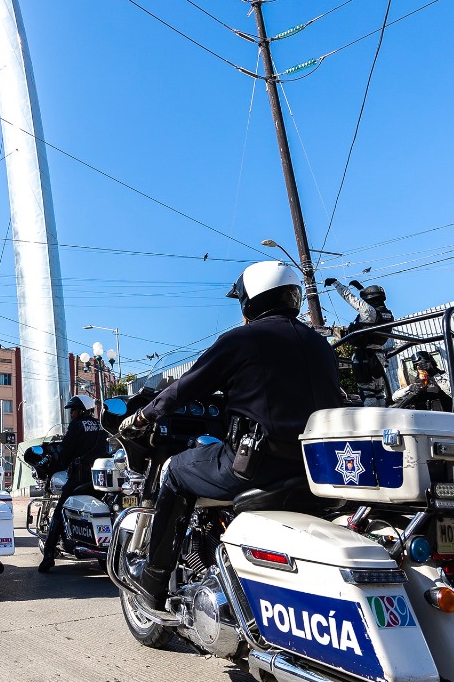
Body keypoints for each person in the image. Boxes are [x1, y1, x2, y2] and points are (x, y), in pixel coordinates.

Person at [120, 261, 343, 610]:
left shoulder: (244, 339)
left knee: (176, 472)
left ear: (250, 302)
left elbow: (185, 387)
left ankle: (152, 580)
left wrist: (144, 415)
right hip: (315, 470)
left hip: (255, 466)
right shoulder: (320, 345)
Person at [39, 395, 112, 573]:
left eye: (73, 410)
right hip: (99, 479)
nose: (71, 414)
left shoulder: (77, 425)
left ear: (81, 410)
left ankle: (48, 554)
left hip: (79, 477)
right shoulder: (101, 426)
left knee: (59, 510)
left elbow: (65, 451)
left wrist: (55, 461)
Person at [327, 279, 396, 406]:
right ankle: (384, 419)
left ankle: (373, 421)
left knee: (367, 391)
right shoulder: (387, 314)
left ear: (370, 298)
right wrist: (360, 288)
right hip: (379, 356)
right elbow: (369, 300)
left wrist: (336, 284)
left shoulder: (369, 312)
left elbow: (351, 299)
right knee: (379, 392)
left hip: (365, 356)